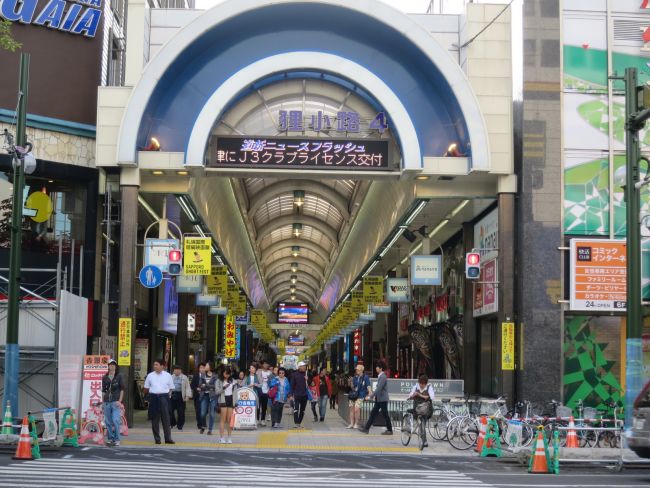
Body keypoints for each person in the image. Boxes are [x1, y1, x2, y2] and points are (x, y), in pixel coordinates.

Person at [143, 359, 175, 444]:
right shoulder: (150, 375)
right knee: (154, 420)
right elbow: (146, 388)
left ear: (162, 366)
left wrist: (169, 396)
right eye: (154, 365)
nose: (155, 366)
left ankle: (168, 438)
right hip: (153, 397)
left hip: (164, 397)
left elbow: (171, 388)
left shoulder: (168, 375)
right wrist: (148, 398)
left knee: (166, 419)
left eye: (156, 365)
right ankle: (157, 439)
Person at [359, 360, 393, 435]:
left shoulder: (383, 376)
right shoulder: (381, 376)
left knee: (385, 414)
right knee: (373, 413)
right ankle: (366, 428)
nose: (376, 368)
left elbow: (379, 389)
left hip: (383, 400)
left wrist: (370, 396)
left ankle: (390, 430)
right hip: (379, 399)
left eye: (377, 367)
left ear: (380, 368)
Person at [101, 359, 124, 446]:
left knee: (116, 420)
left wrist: (120, 401)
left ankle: (117, 439)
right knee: (108, 422)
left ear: (116, 366)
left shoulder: (119, 376)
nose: (112, 366)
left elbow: (122, 389)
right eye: (110, 364)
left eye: (114, 365)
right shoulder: (104, 377)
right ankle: (110, 439)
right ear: (108, 366)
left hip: (115, 402)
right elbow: (103, 391)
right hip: (107, 402)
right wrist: (103, 402)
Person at [408, 374, 435, 448]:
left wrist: (419, 395)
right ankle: (424, 440)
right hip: (417, 408)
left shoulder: (429, 387)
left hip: (426, 409)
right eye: (420, 383)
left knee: (423, 424)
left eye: (423, 384)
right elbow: (410, 395)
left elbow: (432, 397)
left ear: (426, 383)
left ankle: (424, 440)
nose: (421, 385)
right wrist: (413, 395)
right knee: (421, 424)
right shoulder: (415, 387)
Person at [347, 365, 371, 429]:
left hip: (361, 395)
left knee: (356, 409)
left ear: (361, 370)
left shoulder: (365, 377)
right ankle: (351, 423)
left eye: (357, 369)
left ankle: (356, 423)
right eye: (356, 369)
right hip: (354, 395)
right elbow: (353, 387)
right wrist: (350, 382)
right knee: (351, 409)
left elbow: (368, 386)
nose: (356, 370)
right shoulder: (355, 377)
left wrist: (369, 394)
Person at [217, 367, 236, 444]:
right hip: (223, 400)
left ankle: (229, 437)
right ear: (222, 373)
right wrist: (224, 387)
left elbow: (235, 392)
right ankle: (221, 438)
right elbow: (217, 392)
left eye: (228, 373)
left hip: (231, 400)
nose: (226, 375)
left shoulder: (233, 381)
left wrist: (236, 403)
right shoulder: (219, 381)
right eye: (225, 373)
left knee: (229, 420)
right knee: (223, 419)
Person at [170, 365, 192, 431]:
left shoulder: (184, 377)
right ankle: (173, 423)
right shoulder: (170, 377)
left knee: (181, 412)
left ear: (181, 370)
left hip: (181, 395)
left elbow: (188, 387)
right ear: (173, 371)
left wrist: (187, 396)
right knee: (169, 411)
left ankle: (180, 425)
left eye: (178, 369)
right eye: (175, 369)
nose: (176, 371)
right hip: (172, 395)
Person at [199, 362, 219, 434]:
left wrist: (207, 385)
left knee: (212, 414)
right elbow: (200, 384)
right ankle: (203, 426)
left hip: (213, 396)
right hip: (204, 395)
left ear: (210, 367)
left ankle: (210, 429)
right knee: (202, 413)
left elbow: (216, 386)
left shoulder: (215, 376)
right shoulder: (203, 375)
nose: (205, 366)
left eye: (207, 365)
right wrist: (203, 386)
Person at [289, 361, 309, 429]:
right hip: (297, 395)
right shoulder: (294, 374)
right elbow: (291, 385)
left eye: (305, 366)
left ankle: (299, 423)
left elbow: (311, 385)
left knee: (302, 410)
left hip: (304, 395)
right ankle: (296, 423)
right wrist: (291, 395)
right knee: (296, 409)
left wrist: (307, 380)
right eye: (303, 366)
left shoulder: (306, 374)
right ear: (299, 367)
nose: (305, 367)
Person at [256, 360, 273, 426]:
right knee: (258, 406)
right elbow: (256, 380)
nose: (266, 365)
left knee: (264, 407)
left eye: (267, 364)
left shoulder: (270, 372)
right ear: (262, 364)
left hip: (267, 391)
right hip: (259, 390)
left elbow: (272, 382)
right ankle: (257, 419)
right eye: (264, 364)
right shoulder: (258, 371)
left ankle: (263, 420)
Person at [190, 363, 206, 431]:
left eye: (203, 367)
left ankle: (203, 423)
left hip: (205, 396)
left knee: (204, 411)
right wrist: (196, 388)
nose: (202, 369)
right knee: (198, 411)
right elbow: (192, 385)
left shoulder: (207, 376)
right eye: (200, 367)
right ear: (199, 369)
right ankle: (200, 424)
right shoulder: (196, 376)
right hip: (197, 396)